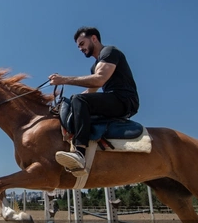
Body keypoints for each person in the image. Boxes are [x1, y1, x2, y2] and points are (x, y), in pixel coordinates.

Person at [49, 26, 140, 174]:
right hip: (112, 99)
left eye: (82, 43)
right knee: (76, 100)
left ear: (94, 39)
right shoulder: (95, 66)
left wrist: (64, 80)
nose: (80, 48)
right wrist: (69, 105)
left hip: (124, 100)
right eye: (78, 46)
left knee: (79, 99)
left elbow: (99, 80)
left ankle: (80, 154)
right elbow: (91, 91)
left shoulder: (109, 52)